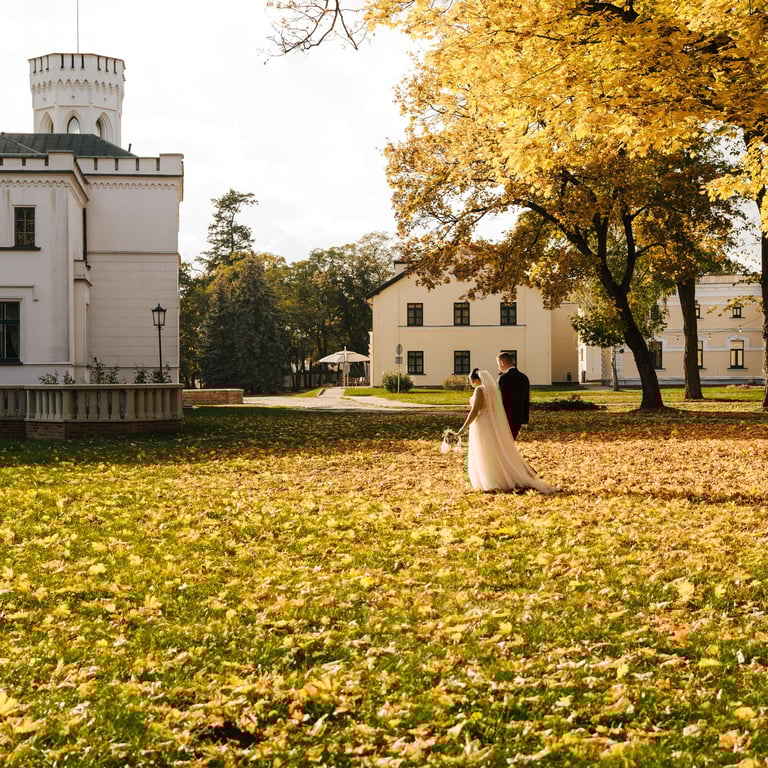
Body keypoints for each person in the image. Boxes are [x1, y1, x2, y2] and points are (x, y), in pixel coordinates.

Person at [458, 369, 557, 494]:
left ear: (476, 380)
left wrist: (464, 426)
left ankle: (490, 479)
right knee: (493, 450)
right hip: (490, 422)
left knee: (484, 450)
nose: (471, 383)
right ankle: (498, 476)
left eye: (471, 380)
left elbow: (475, 410)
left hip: (482, 423)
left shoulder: (479, 390)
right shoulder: (492, 390)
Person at [497, 352, 529, 440]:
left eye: (498, 364)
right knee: (511, 440)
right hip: (519, 416)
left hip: (505, 416)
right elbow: (526, 399)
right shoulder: (524, 377)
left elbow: (500, 398)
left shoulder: (503, 378)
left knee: (504, 441)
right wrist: (525, 419)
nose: (498, 367)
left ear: (502, 362)